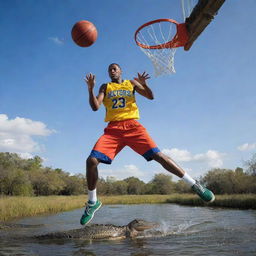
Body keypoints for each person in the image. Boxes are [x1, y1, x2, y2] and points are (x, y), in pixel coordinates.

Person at [80, 63, 215, 225]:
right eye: (109, 69)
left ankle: (195, 185)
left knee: (158, 155)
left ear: (120, 71)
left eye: (115, 68)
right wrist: (90, 89)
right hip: (113, 130)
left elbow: (150, 96)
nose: (112, 71)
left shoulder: (131, 83)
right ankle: (92, 202)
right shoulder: (105, 86)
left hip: (132, 126)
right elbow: (95, 107)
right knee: (91, 161)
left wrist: (144, 84)